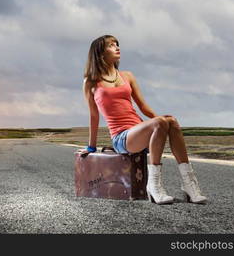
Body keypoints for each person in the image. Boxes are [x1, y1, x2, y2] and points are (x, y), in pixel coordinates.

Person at [81, 34, 207, 205]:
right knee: (161, 122)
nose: (117, 47)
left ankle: (189, 185)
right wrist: (91, 146)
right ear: (100, 53)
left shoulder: (127, 76)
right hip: (122, 137)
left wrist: (162, 120)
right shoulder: (91, 82)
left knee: (172, 121)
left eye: (117, 44)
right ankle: (153, 186)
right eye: (111, 45)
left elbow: (143, 107)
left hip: (141, 130)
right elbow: (94, 116)